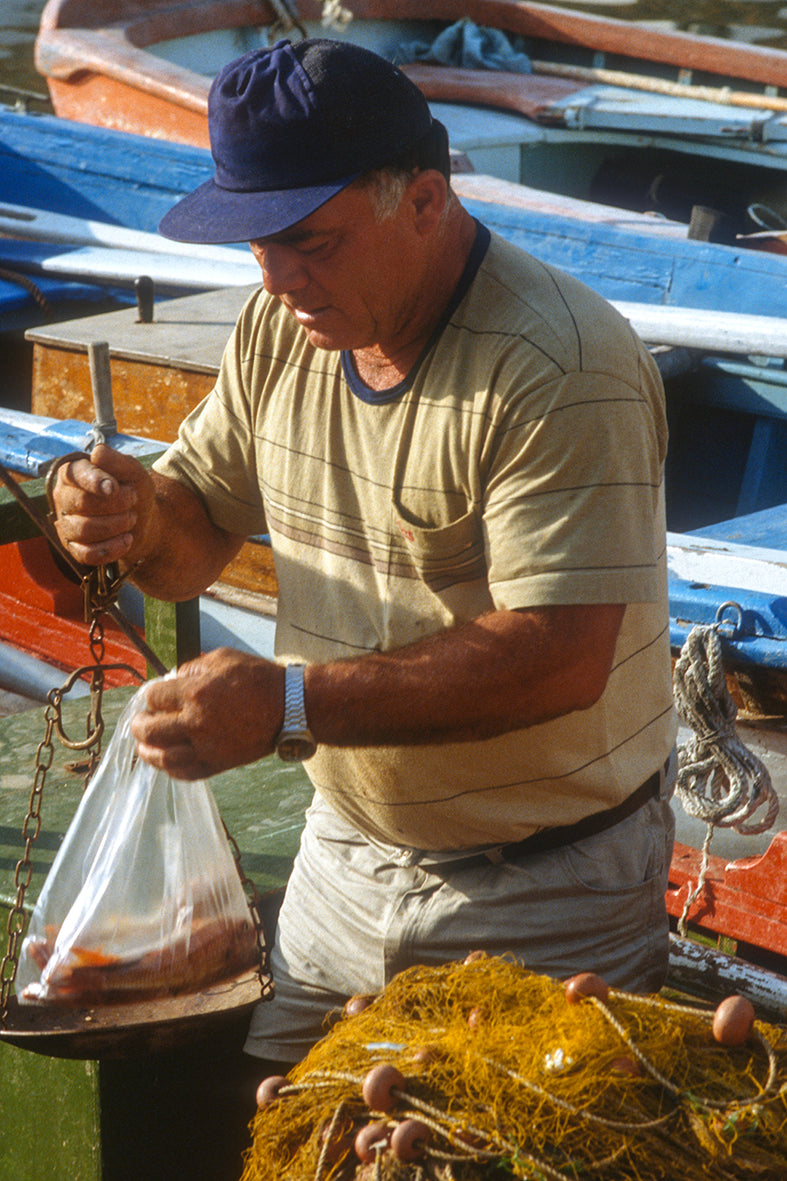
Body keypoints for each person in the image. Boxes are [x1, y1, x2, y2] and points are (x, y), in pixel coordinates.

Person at [50, 38, 677, 1079]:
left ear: (424, 200)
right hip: (343, 856)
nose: (278, 278)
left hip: (545, 889)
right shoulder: (279, 326)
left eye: (311, 242)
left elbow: (561, 656)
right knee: (286, 1130)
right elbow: (193, 534)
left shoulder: (559, 365)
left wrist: (287, 706)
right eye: (255, 244)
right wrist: (130, 519)